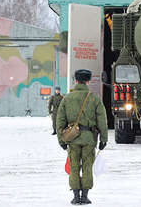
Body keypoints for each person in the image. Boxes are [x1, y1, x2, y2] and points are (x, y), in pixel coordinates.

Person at [56, 69, 108, 205]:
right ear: (88, 81)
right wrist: (104, 139)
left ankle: (75, 196)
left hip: (72, 139)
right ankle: (85, 196)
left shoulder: (67, 98)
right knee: (87, 166)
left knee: (74, 166)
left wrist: (61, 140)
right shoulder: (94, 98)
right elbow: (102, 120)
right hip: (89, 138)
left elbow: (60, 120)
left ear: (76, 81)